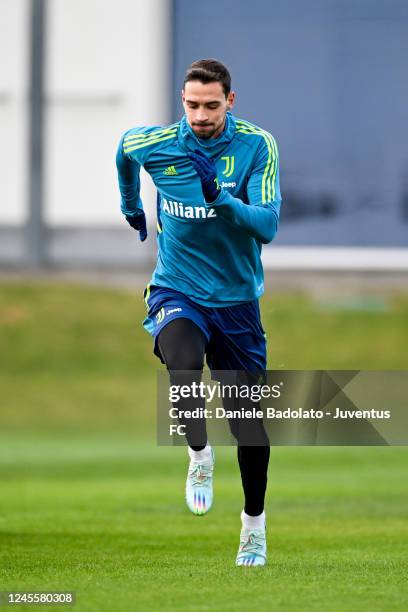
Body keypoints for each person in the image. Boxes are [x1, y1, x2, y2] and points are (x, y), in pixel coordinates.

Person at [116, 58, 282, 566]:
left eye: (212, 105)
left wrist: (221, 199)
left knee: (249, 426)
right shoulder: (159, 143)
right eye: (192, 104)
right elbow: (124, 150)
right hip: (177, 289)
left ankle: (253, 524)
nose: (201, 115)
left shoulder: (257, 145)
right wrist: (130, 204)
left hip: (235, 301)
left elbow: (267, 226)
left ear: (230, 102)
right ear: (181, 101)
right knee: (182, 362)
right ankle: (198, 455)